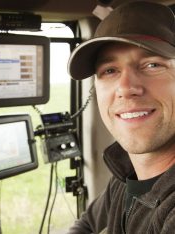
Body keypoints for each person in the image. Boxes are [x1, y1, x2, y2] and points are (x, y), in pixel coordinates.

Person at [67, 1, 175, 234]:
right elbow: (86, 225)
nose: (125, 87)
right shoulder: (126, 172)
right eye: (109, 71)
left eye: (152, 64)